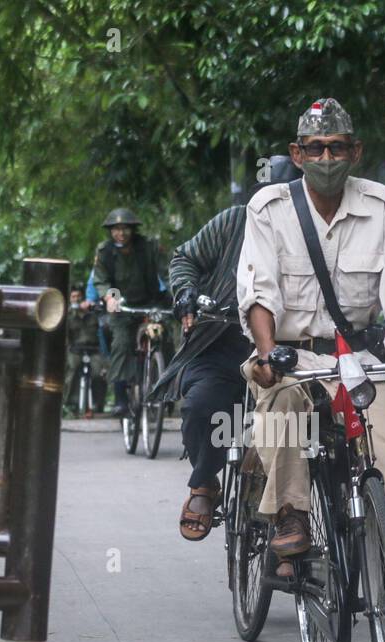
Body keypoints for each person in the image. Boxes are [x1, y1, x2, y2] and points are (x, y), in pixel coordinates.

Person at [236, 97, 385, 562]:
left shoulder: (383, 207)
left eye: (337, 148)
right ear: (297, 155)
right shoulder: (269, 208)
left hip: (359, 364)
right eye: (315, 149)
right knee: (286, 403)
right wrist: (268, 354)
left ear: (356, 152)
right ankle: (290, 513)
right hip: (290, 356)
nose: (327, 159)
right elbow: (259, 292)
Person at [154, 156, 302, 540]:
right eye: (267, 202)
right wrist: (187, 294)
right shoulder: (234, 221)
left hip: (293, 350)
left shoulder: (314, 232)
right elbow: (185, 258)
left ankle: (314, 521)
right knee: (202, 409)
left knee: (311, 430)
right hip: (221, 343)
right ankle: (204, 483)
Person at [89, 208, 170, 416]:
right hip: (121, 304)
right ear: (110, 231)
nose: (121, 233)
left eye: (125, 228)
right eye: (116, 229)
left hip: (150, 301)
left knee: (165, 337)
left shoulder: (149, 247)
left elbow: (167, 272)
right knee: (121, 343)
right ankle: (120, 398)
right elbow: (102, 280)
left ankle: (167, 388)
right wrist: (111, 297)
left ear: (132, 229)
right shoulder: (104, 251)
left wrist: (177, 292)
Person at [65, 285, 108, 418]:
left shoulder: (93, 313)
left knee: (99, 373)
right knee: (72, 370)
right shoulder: (68, 315)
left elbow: (104, 325)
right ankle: (70, 404)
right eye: (73, 297)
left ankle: (98, 403)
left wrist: (91, 307)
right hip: (76, 349)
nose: (76, 299)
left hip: (94, 349)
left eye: (78, 296)